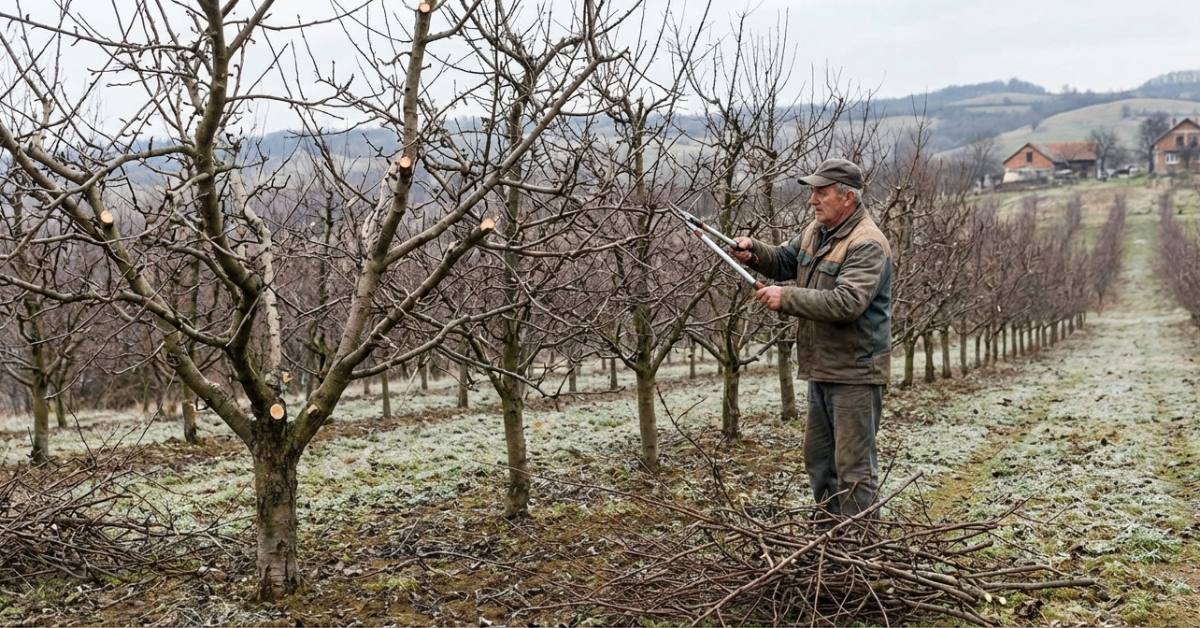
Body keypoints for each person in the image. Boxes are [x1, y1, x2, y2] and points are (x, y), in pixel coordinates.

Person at [730, 158, 892, 516]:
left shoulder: (867, 243)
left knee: (853, 470)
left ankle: (858, 553)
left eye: (821, 192)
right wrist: (754, 251)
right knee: (820, 464)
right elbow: (786, 260)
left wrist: (785, 297)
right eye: (813, 192)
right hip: (822, 369)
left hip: (855, 374)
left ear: (847, 197)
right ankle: (827, 550)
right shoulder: (816, 232)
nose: (812, 200)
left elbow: (848, 302)